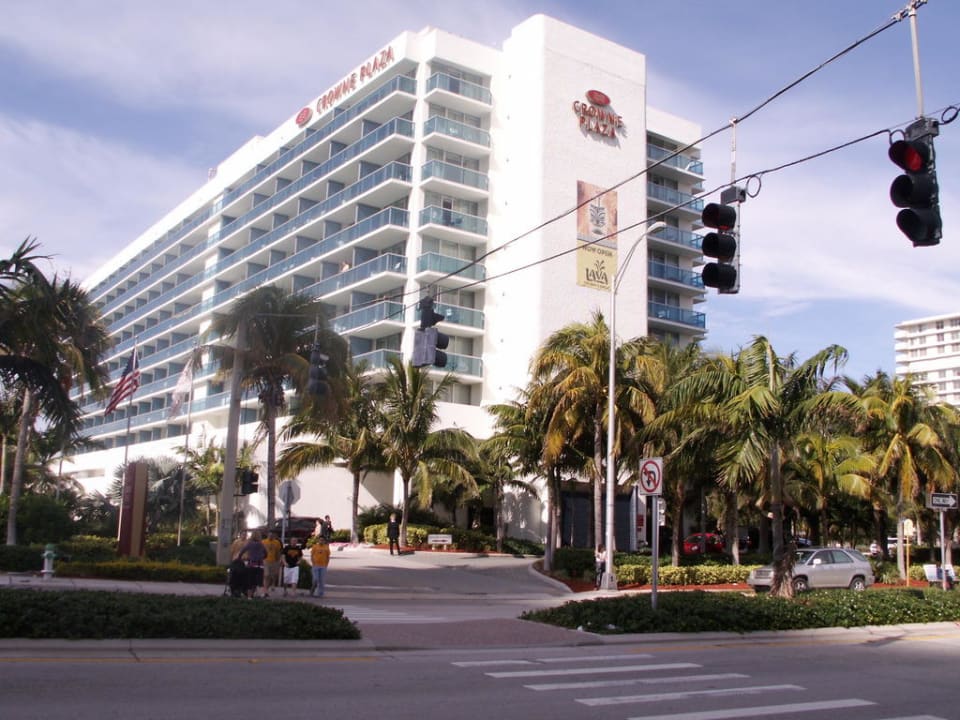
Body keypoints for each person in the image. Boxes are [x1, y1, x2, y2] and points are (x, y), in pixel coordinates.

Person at [238, 530, 267, 598]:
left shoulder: (249, 544)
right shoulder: (261, 544)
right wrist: (262, 557)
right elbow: (266, 553)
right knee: (259, 582)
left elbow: (242, 551)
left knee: (250, 581)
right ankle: (261, 594)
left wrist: (240, 558)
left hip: (251, 564)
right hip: (260, 565)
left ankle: (249, 597)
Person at [261, 531, 283, 597]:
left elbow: (278, 552)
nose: (270, 536)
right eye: (269, 534)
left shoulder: (277, 542)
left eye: (272, 535)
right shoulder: (263, 542)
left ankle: (266, 590)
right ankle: (264, 591)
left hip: (274, 561)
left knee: (272, 576)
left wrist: (279, 561)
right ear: (267, 535)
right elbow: (261, 551)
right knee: (266, 575)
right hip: (265, 560)